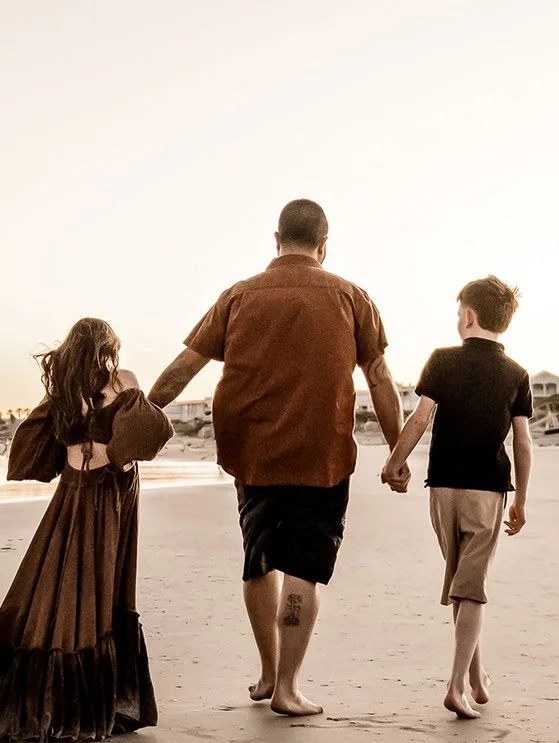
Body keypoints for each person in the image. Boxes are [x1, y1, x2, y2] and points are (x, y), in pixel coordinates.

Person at [147, 199, 401, 717]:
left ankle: (266, 672)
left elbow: (184, 368)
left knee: (258, 558)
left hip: (252, 454)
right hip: (322, 454)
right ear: (324, 245)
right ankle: (287, 686)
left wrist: (141, 416)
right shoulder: (351, 296)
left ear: (276, 238)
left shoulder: (238, 296)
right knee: (303, 569)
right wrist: (397, 452)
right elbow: (378, 377)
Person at [0, 318, 171, 742]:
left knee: (62, 578)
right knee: (97, 583)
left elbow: (36, 439)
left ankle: (60, 688)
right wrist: (120, 451)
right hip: (107, 491)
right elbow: (149, 431)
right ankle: (87, 698)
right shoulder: (120, 380)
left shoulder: (64, 391)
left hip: (76, 490)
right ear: (107, 347)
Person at [377, 277, 532, 720]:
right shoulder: (516, 374)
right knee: (472, 588)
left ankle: (477, 680)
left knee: (465, 585)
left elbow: (419, 419)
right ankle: (457, 685)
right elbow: (523, 442)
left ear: (467, 316)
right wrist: (521, 498)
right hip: (487, 489)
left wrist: (394, 463)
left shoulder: (442, 361)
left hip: (442, 487)